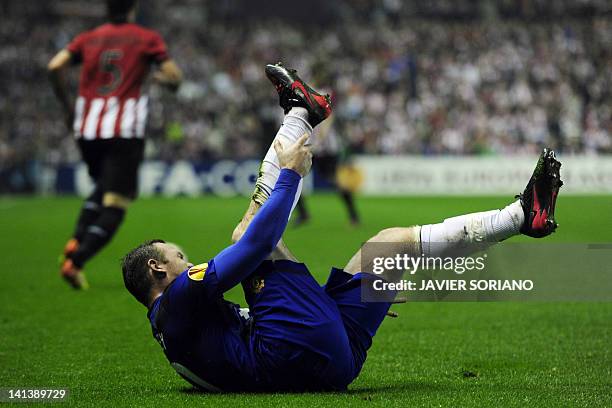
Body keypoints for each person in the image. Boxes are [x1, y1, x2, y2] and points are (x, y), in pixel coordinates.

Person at [121, 63, 563, 392]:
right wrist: (291, 174)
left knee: (391, 245)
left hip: (327, 359)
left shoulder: (173, 328)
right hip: (293, 351)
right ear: (159, 271)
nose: (189, 260)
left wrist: (327, 311)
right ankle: (300, 114)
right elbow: (257, 245)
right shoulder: (179, 299)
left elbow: (238, 338)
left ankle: (522, 216)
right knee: (247, 236)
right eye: (179, 257)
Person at [48, 0, 182, 289]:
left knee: (103, 187)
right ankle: (77, 261)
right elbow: (174, 77)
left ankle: (76, 239)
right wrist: (163, 79)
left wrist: (67, 107)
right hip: (123, 129)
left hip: (87, 128)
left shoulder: (87, 38)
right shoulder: (146, 38)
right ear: (132, 8)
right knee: (118, 201)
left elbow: (55, 65)